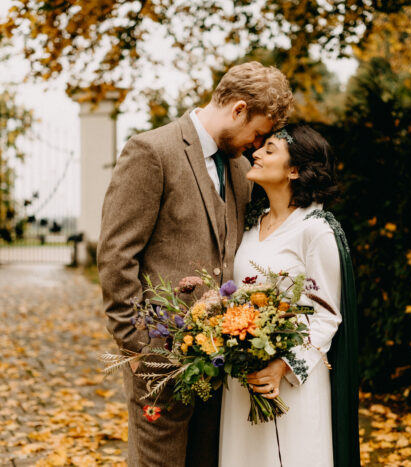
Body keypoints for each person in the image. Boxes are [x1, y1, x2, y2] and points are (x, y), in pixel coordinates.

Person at [97, 61, 294, 467]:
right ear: (238, 109)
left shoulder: (241, 169)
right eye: (257, 133)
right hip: (159, 362)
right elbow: (116, 256)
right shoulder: (152, 151)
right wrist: (138, 351)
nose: (256, 145)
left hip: (218, 367)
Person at [219, 124, 361, 466]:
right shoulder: (252, 224)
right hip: (244, 378)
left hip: (292, 383)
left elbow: (327, 314)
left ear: (294, 170)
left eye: (270, 150)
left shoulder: (316, 230)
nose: (256, 153)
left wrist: (283, 366)